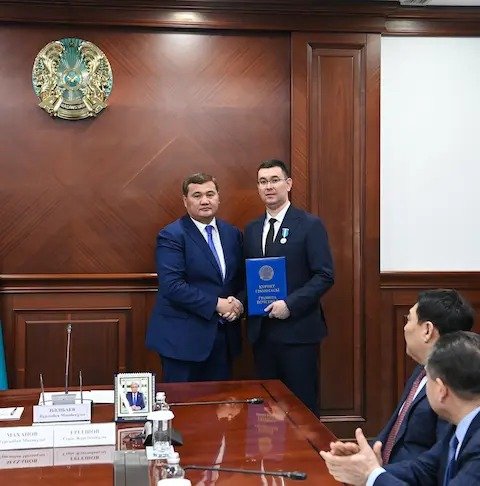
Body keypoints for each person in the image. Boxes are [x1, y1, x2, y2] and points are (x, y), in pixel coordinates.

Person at [330, 289, 475, 464]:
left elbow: (438, 463)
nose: (405, 327)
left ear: (427, 330)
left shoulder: (452, 385)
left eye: (409, 319)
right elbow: (394, 433)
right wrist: (364, 454)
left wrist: (375, 474)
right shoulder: (421, 371)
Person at [320, 330, 480, 485]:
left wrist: (371, 475)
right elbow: (424, 470)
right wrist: (365, 467)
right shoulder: (459, 426)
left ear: (441, 390)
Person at [243, 159, 334, 415]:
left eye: (275, 180)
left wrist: (289, 305)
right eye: (263, 182)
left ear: (289, 184)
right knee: (266, 412)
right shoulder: (251, 230)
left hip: (298, 334)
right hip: (262, 335)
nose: (269, 187)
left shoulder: (309, 225)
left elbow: (324, 275)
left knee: (301, 409)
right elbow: (248, 278)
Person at [146, 173, 244, 382]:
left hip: (223, 340)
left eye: (210, 194)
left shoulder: (232, 233)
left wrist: (239, 303)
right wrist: (217, 304)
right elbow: (172, 286)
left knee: (220, 401)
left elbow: (240, 279)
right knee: (183, 402)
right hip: (182, 342)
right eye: (197, 195)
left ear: (218, 197)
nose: (205, 200)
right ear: (185, 201)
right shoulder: (172, 235)